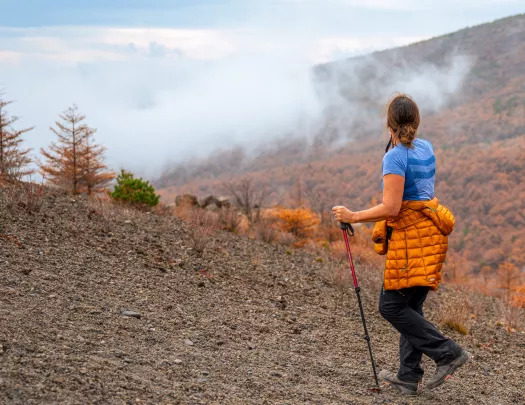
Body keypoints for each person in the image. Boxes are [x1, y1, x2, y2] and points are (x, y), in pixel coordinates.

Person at [332, 94, 469, 396]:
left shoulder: (394, 156)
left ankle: (448, 353)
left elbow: (392, 207)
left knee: (391, 306)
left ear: (389, 124)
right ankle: (408, 376)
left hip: (410, 240)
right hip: (431, 235)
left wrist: (353, 216)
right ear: (416, 122)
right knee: (411, 306)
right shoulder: (426, 147)